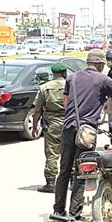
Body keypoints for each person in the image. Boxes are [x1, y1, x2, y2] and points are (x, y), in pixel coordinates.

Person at [53, 49, 112, 219]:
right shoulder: (103, 79)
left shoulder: (72, 78)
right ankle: (75, 213)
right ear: (101, 64)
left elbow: (66, 102)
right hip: (86, 131)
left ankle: (58, 210)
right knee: (82, 171)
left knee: (64, 169)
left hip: (68, 127)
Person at [32, 62, 67, 193]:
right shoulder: (71, 85)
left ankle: (51, 183)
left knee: (52, 153)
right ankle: (73, 179)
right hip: (69, 122)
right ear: (64, 73)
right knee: (70, 151)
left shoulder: (44, 88)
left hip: (52, 124)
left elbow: (37, 110)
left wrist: (35, 126)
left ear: (53, 73)